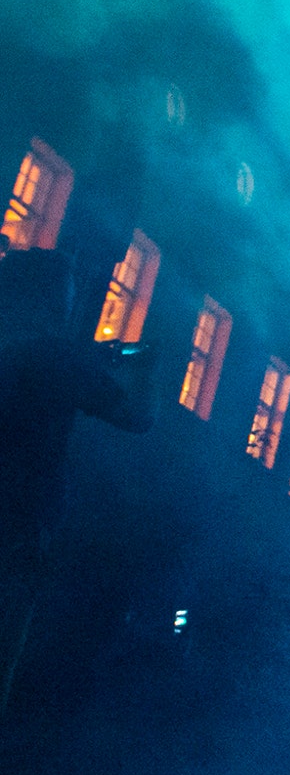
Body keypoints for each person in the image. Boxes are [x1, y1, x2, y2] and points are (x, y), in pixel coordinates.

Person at [0, 248, 154, 716]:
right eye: (66, 296)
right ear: (54, 300)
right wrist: (147, 370)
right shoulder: (60, 359)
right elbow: (137, 416)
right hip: (19, 529)